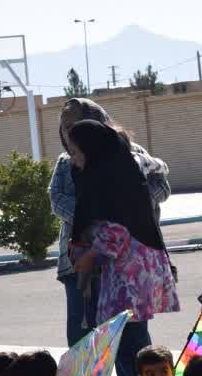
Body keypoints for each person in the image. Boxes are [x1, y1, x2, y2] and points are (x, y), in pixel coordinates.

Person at [67, 119, 180, 376]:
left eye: (76, 150)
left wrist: (89, 256)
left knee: (130, 346)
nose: (73, 157)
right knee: (129, 341)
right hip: (134, 271)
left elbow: (116, 232)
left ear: (91, 149)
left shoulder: (106, 178)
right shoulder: (120, 168)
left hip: (130, 276)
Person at [50, 97, 171, 347]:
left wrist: (128, 204)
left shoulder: (131, 153)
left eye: (79, 124)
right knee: (83, 343)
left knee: (132, 343)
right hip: (79, 266)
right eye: (66, 127)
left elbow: (162, 186)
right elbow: (57, 200)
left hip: (126, 264)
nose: (71, 132)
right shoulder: (66, 161)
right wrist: (96, 215)